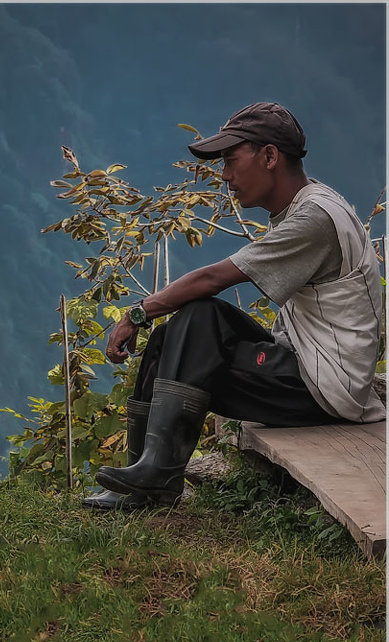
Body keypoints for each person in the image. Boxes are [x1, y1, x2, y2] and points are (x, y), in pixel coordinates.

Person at [84, 101, 385, 511]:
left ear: (269, 156)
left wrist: (137, 312)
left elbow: (214, 278)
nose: (224, 176)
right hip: (305, 365)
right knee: (173, 335)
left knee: (198, 314)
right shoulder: (308, 205)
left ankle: (156, 477)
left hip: (325, 388)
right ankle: (142, 476)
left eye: (230, 160)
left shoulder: (315, 217)